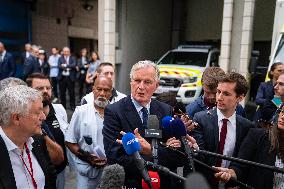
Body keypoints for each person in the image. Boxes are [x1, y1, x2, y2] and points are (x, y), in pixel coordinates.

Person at [103, 60, 194, 189]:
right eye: (137, 80)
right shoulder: (114, 112)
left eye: (147, 82)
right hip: (132, 184)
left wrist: (152, 151)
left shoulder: (166, 110)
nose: (141, 86)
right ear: (131, 82)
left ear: (156, 85)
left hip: (163, 184)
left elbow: (178, 157)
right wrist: (159, 153)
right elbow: (115, 158)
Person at [192, 72, 254, 188]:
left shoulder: (247, 126)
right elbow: (200, 158)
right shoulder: (201, 119)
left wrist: (233, 175)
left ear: (240, 98)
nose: (219, 98)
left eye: (226, 94)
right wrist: (195, 148)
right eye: (218, 92)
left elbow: (243, 162)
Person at [214, 104, 284, 189]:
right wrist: (231, 173)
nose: (282, 117)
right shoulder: (257, 136)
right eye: (282, 112)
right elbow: (240, 166)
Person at [0, 85, 57, 189]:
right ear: (16, 118)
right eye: (38, 112)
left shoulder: (37, 140)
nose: (43, 117)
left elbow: (50, 177)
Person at [65, 76, 112, 189]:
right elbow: (70, 141)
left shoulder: (116, 114)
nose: (102, 93)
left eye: (106, 90)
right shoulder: (81, 112)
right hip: (86, 173)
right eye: (99, 89)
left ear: (111, 92)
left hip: (109, 173)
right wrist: (87, 157)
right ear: (93, 89)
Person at [26, 73, 69, 189]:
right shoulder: (25, 116)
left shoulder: (60, 109)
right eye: (40, 88)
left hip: (60, 172)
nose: (45, 91)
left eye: (48, 88)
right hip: (36, 176)